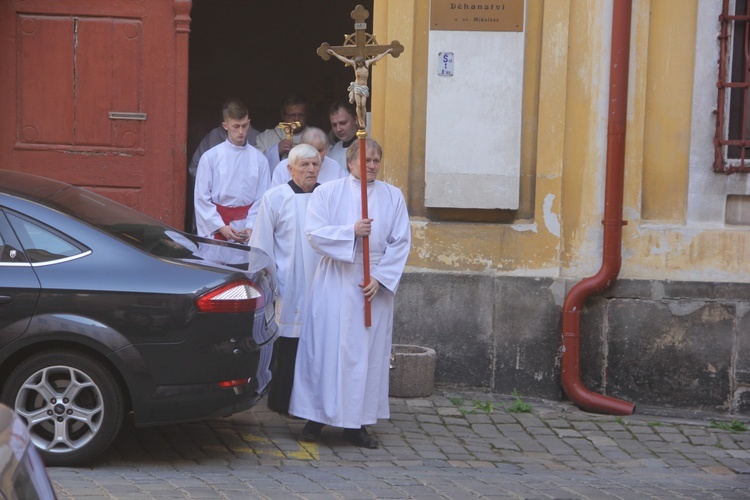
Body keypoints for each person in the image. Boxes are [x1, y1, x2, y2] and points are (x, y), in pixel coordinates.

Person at [289, 138, 411, 449]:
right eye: (366, 160)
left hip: (372, 284)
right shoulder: (328, 192)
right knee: (328, 349)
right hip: (337, 279)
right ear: (350, 162)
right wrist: (350, 233)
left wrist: (381, 279)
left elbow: (400, 241)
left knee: (365, 356)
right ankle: (315, 417)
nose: (372, 166)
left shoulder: (392, 196)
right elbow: (314, 232)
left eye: (376, 161)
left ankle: (356, 423)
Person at [249, 144, 323, 414]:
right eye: (304, 165)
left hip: (322, 282)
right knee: (289, 343)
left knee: (318, 342)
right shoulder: (275, 198)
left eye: (315, 164)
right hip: (288, 282)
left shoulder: (327, 197)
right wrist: (267, 284)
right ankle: (282, 401)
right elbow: (261, 246)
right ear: (290, 169)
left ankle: (315, 402)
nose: (311, 169)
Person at [194, 98, 270, 244]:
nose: (241, 132)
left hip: (246, 230)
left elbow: (263, 197)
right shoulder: (210, 157)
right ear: (225, 125)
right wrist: (220, 226)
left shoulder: (260, 160)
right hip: (218, 227)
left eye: (244, 126)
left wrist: (250, 226)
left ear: (249, 122)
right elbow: (201, 197)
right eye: (236, 126)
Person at [326, 49, 393, 130]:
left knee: (363, 104)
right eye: (357, 63)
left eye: (359, 63)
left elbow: (377, 58)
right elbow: (344, 59)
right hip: (357, 87)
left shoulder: (367, 64)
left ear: (362, 61)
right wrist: (334, 54)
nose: (358, 64)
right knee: (358, 105)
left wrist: (386, 52)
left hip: (364, 87)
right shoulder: (355, 65)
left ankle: (363, 120)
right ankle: (360, 119)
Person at [270, 127, 346, 187]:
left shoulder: (335, 168)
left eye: (320, 150)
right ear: (302, 146)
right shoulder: (283, 167)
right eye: (311, 149)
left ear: (326, 148)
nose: (315, 155)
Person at [255, 94, 308, 169]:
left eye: (301, 115)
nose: (297, 119)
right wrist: (275, 150)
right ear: (283, 115)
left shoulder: (315, 136)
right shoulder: (266, 137)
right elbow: (256, 162)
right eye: (292, 115)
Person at [327, 101, 358, 171]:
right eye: (334, 125)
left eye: (343, 123)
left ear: (356, 120)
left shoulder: (366, 147)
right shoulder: (335, 148)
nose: (338, 129)